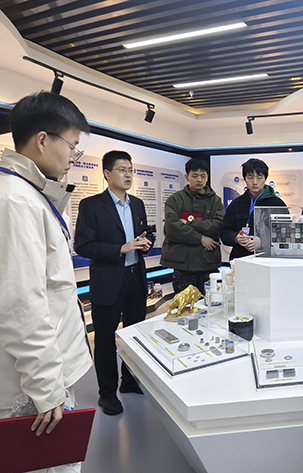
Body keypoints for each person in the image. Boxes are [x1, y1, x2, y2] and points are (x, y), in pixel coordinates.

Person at [0, 92, 92, 469]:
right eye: (72, 146)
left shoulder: (31, 196)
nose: (74, 157)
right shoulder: (16, 201)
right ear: (42, 140)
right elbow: (21, 304)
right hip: (32, 389)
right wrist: (47, 387)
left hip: (44, 375)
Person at [75, 150, 154, 416]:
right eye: (122, 169)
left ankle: (129, 381)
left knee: (133, 335)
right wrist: (120, 248)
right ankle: (107, 393)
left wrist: (144, 243)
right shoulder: (91, 205)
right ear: (107, 174)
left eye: (131, 170)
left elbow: (141, 235)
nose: (128, 174)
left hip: (135, 278)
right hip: (108, 280)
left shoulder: (137, 204)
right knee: (106, 339)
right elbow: (83, 245)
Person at [161, 158, 224, 294]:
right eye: (194, 176)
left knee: (211, 304)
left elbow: (218, 225)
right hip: (182, 266)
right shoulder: (175, 199)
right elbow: (172, 228)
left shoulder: (215, 201)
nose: (199, 180)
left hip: (207, 263)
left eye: (203, 176)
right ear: (187, 177)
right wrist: (200, 238)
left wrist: (190, 223)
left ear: (207, 177)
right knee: (184, 305)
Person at [220, 158, 286, 260]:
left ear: (265, 178)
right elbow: (224, 232)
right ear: (244, 179)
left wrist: (262, 242)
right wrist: (236, 238)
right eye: (250, 177)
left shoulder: (277, 204)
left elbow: (285, 235)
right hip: (240, 258)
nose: (254, 182)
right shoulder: (236, 204)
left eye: (259, 177)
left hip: (268, 260)